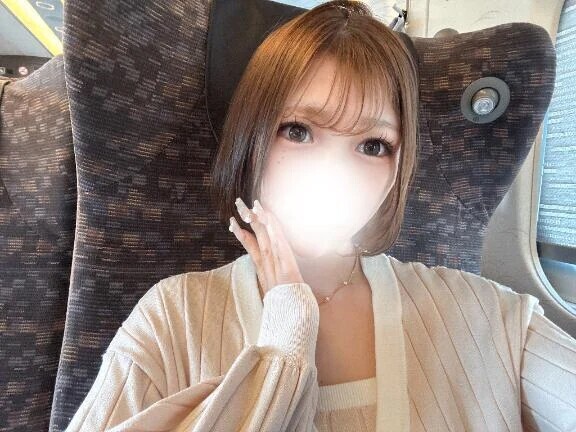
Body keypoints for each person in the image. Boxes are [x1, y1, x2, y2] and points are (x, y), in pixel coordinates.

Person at [64, 1, 576, 431]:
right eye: (298, 131)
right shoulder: (170, 318)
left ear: (399, 169)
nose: (333, 174)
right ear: (251, 140)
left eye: (373, 145)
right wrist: (284, 345)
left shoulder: (492, 316)